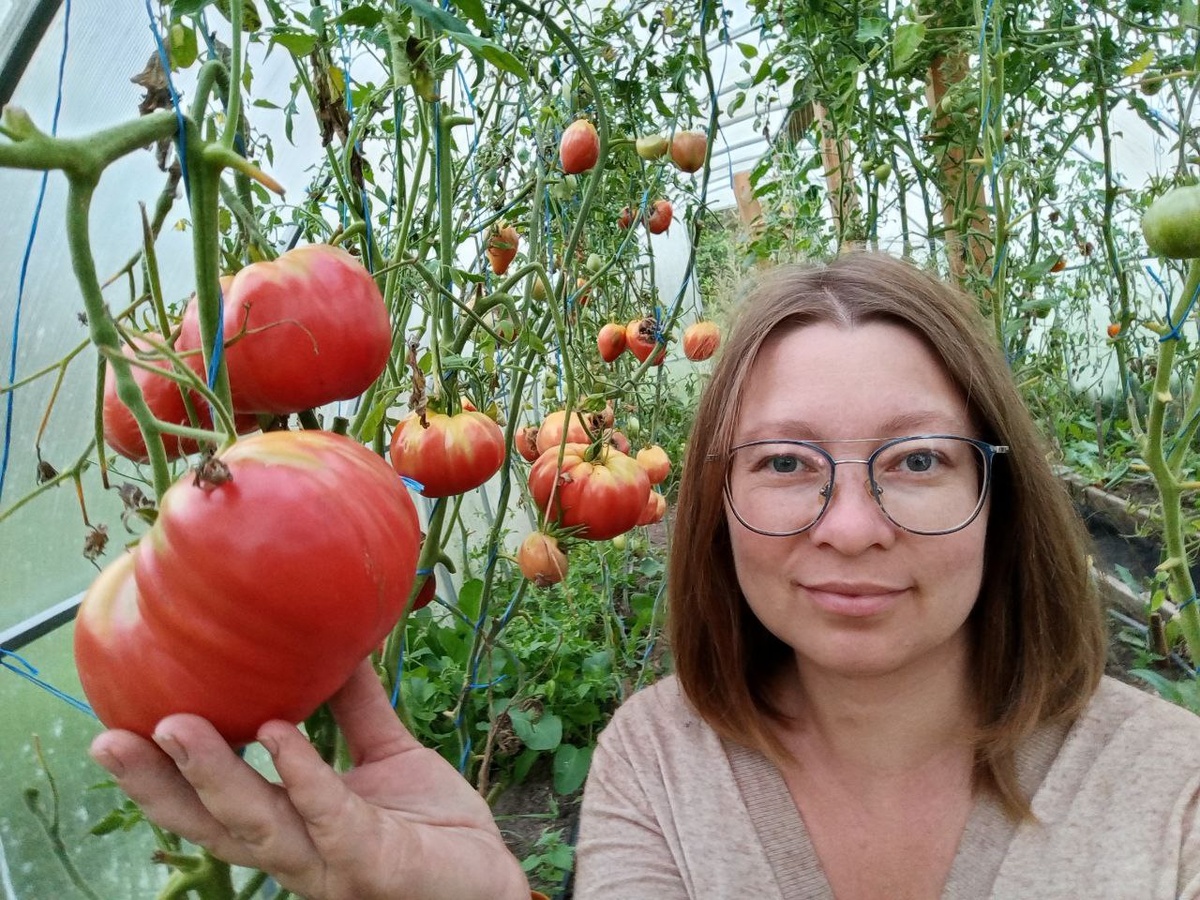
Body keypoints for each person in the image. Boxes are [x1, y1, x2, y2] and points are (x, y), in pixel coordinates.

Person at [89, 252, 1200, 899]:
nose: (851, 526)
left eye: (916, 461)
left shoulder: (1175, 798)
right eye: (782, 464)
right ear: (714, 503)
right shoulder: (656, 765)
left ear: (1004, 491)